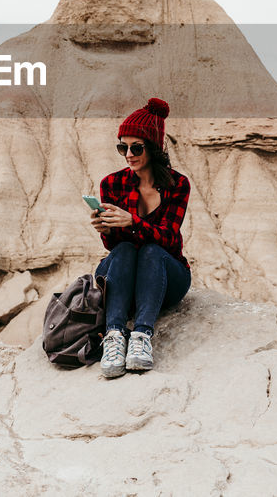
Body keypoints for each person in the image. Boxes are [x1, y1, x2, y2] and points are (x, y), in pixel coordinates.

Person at [90, 97, 192, 378]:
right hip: (125, 276)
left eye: (136, 147)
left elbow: (169, 239)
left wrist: (133, 222)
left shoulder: (177, 184)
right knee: (122, 248)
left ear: (154, 147)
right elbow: (115, 247)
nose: (128, 154)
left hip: (165, 277)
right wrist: (107, 230)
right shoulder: (112, 183)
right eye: (123, 146)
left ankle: (142, 336)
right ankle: (114, 335)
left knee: (150, 250)